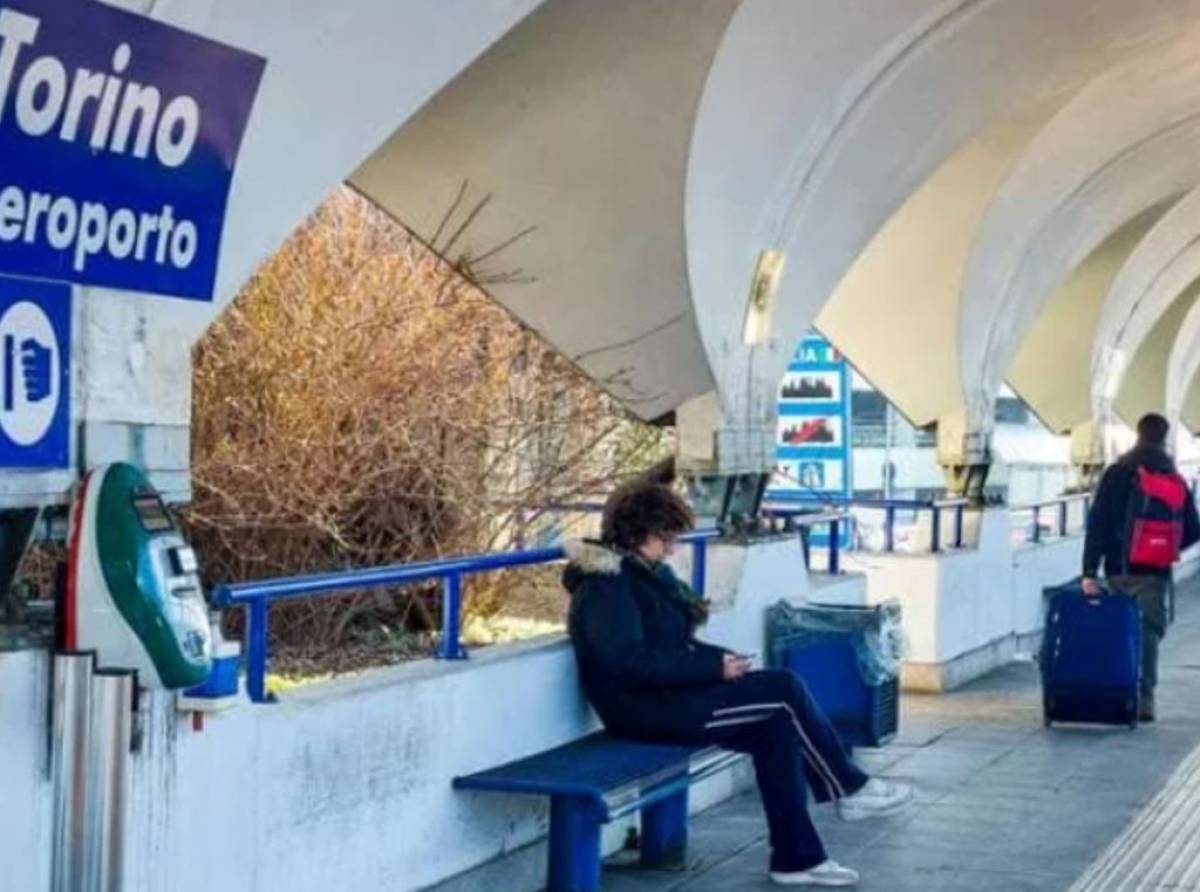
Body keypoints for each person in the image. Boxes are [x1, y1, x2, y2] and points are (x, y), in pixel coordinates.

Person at [563, 481, 912, 887]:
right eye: (665, 538)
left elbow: (670, 645)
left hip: (668, 696)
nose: (672, 549)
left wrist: (720, 660)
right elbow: (628, 663)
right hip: (643, 711)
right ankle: (847, 789)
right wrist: (713, 669)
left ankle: (797, 859)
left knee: (776, 728)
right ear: (636, 531)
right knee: (782, 688)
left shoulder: (640, 576)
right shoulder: (607, 586)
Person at [1082, 413, 1200, 722]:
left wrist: (1089, 570)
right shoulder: (1172, 477)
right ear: (1164, 438)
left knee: (1116, 629)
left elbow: (1098, 524)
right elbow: (1194, 528)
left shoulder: (1117, 473)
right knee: (1148, 632)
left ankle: (1114, 693)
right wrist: (1167, 549)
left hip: (1118, 568)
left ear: (1138, 434)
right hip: (1154, 572)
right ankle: (1145, 698)